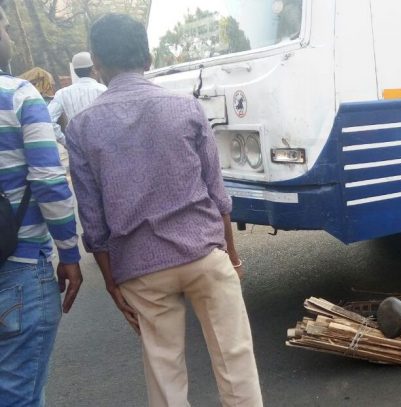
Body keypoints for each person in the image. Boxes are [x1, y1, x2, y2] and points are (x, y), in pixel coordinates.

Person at [67, 13, 263, 407]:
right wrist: (233, 256)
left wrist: (111, 282)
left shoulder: (82, 127)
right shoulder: (185, 108)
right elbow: (217, 193)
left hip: (141, 270)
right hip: (205, 255)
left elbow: (93, 223)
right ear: (149, 58)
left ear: (99, 66)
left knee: (165, 377)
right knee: (235, 363)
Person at [0, 5, 83, 406]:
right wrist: (70, 253)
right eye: (4, 26)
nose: (10, 36)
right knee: (19, 394)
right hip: (18, 267)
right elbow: (49, 183)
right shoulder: (19, 96)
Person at [47, 51, 107, 146]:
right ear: (93, 69)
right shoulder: (104, 90)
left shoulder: (62, 93)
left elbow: (47, 119)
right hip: (103, 147)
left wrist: (65, 141)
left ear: (75, 71)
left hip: (77, 149)